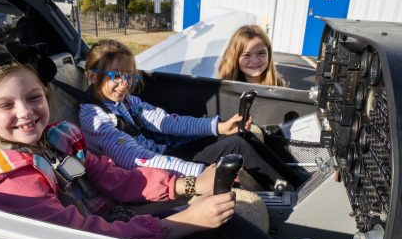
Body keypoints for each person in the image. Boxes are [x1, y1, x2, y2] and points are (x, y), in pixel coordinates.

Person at [0, 42, 315, 239]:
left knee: (224, 220)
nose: (26, 112)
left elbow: (117, 177)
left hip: (114, 222)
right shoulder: (9, 180)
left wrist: (189, 184)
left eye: (34, 97)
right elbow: (82, 238)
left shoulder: (56, 138)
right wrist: (182, 222)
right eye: (5, 105)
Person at [78, 39, 298, 191]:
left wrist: (217, 127)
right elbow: (136, 159)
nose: (124, 84)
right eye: (115, 76)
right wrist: (198, 172)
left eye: (129, 76)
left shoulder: (127, 101)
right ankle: (291, 191)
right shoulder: (94, 118)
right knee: (237, 146)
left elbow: (167, 122)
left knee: (237, 136)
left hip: (165, 154)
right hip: (152, 174)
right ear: (91, 77)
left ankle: (294, 179)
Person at [218, 24, 288, 86]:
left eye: (261, 53)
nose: (255, 61)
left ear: (269, 54)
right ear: (235, 58)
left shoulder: (279, 87)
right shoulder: (221, 89)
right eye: (246, 55)